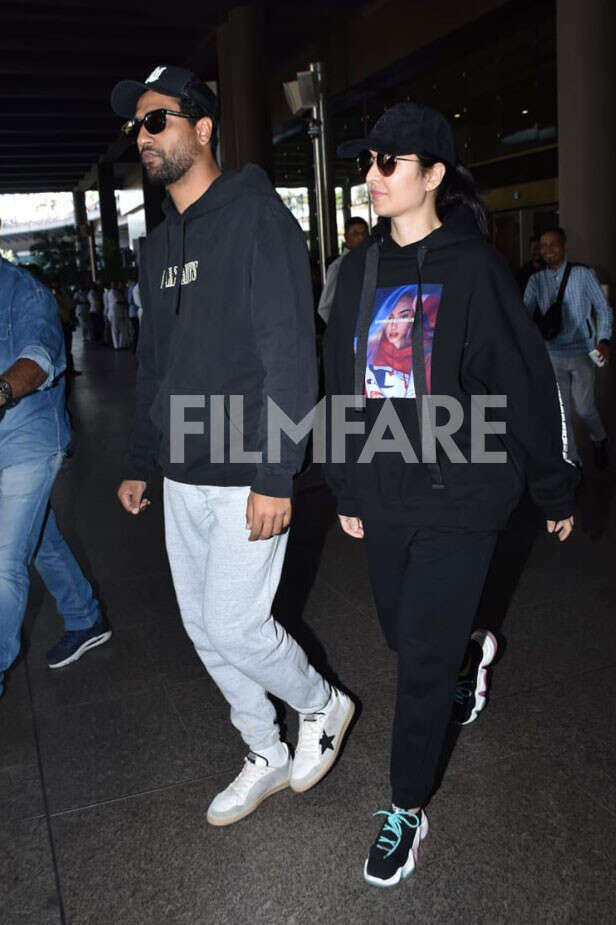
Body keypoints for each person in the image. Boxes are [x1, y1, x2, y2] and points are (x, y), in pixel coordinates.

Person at [323, 102, 578, 888]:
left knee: (419, 663)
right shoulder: (358, 269)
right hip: (389, 486)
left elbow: (526, 381)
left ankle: (405, 806)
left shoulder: (471, 266)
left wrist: (552, 483)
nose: (372, 176)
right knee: (407, 634)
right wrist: (347, 480)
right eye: (368, 162)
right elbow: (341, 383)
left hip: (464, 491)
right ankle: (471, 651)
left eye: (388, 163)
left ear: (432, 175)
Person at [112, 65, 354, 827]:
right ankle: (264, 748)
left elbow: (290, 351)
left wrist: (276, 472)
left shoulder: (256, 217)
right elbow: (157, 362)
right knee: (201, 626)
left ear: (203, 127)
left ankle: (322, 702)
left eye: (157, 121)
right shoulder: (157, 248)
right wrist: (141, 458)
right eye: (135, 128)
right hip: (182, 471)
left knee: (237, 624)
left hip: (249, 463)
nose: (142, 138)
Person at [0, 257, 110, 699]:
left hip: (30, 435)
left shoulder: (25, 291)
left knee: (4, 560)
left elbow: (41, 357)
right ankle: (85, 616)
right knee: (36, 533)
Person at [524, 227, 613, 470]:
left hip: (582, 352)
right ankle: (574, 462)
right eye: (544, 246)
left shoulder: (583, 275)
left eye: (553, 245)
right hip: (552, 354)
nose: (548, 250)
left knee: (584, 408)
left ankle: (599, 439)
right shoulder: (536, 280)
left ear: (564, 246)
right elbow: (525, 312)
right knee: (562, 414)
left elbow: (603, 309)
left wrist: (604, 339)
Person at [317, 216, 369, 324]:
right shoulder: (339, 266)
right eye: (355, 234)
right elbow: (325, 307)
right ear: (346, 238)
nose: (361, 238)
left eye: (364, 234)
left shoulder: (372, 261)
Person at [108, 280, 131, 349]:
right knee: (115, 329)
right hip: (114, 312)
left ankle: (121, 344)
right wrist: (125, 302)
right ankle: (116, 345)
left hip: (120, 312)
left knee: (122, 328)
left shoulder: (118, 292)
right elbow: (118, 301)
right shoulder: (112, 292)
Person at [128, 278, 140, 352]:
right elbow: (130, 301)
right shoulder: (134, 288)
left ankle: (135, 348)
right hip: (134, 313)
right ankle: (135, 348)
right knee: (136, 331)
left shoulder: (132, 288)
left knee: (135, 331)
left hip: (134, 312)